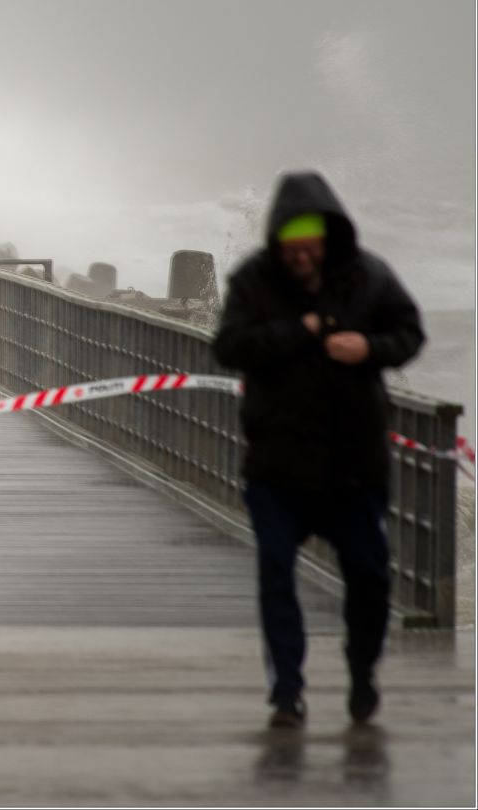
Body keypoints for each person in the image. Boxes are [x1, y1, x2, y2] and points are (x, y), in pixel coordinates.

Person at [213, 170, 425, 728]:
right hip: (276, 467)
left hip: (354, 468)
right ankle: (287, 693)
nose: (302, 257)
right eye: (293, 248)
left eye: (311, 247)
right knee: (276, 576)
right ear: (278, 241)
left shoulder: (368, 277)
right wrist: (300, 330)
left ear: (329, 238)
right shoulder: (254, 282)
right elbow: (229, 347)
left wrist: (369, 348)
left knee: (370, 578)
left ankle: (362, 672)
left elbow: (409, 333)